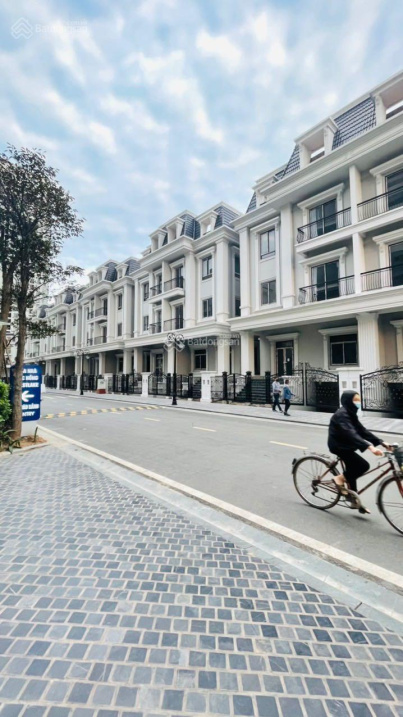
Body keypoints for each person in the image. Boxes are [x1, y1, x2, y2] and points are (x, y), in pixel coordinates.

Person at [328, 390, 388, 513]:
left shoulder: (350, 413)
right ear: (348, 401)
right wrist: (370, 447)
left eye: (359, 400)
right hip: (339, 446)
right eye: (355, 400)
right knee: (362, 466)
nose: (358, 402)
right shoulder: (342, 415)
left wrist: (380, 442)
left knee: (351, 471)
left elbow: (361, 430)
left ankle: (354, 501)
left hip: (346, 445)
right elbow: (351, 433)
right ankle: (339, 479)